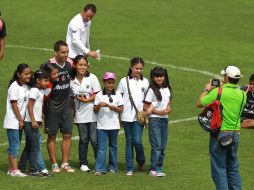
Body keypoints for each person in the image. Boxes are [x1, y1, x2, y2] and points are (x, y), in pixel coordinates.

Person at [197, 66, 246, 190]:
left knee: (219, 169)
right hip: (235, 134)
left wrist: (207, 89)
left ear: (226, 77)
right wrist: (224, 84)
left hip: (220, 135)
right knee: (233, 168)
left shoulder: (218, 92)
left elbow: (200, 103)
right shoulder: (242, 94)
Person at [42, 40, 74, 173]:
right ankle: (54, 163)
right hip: (52, 107)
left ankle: (65, 163)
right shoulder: (47, 66)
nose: (65, 54)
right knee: (52, 135)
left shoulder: (70, 64)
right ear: (55, 52)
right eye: (62, 52)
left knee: (67, 135)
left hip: (67, 107)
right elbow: (41, 85)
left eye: (67, 52)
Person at [117, 57, 149, 176]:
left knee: (137, 141)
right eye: (136, 68)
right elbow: (118, 98)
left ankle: (141, 161)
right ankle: (129, 167)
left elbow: (148, 99)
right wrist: (118, 116)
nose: (139, 70)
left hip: (139, 117)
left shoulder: (145, 82)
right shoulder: (123, 81)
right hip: (126, 116)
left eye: (141, 68)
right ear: (131, 67)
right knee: (129, 142)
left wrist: (146, 112)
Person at [70, 55, 101, 172]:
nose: (83, 67)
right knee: (83, 139)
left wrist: (86, 100)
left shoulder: (92, 78)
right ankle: (83, 163)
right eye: (80, 65)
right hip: (80, 114)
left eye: (85, 65)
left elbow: (98, 94)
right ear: (75, 65)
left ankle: (99, 161)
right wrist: (72, 115)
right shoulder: (71, 81)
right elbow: (70, 98)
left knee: (94, 139)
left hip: (93, 113)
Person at [18, 70, 50, 177]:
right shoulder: (35, 91)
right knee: (35, 148)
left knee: (28, 146)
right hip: (30, 123)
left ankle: (21, 167)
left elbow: (36, 107)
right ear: (37, 80)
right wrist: (33, 120)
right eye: (45, 81)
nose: (47, 83)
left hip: (32, 122)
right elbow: (30, 106)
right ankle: (34, 170)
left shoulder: (38, 90)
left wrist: (39, 119)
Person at [143, 67, 172, 177]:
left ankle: (159, 167)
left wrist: (168, 109)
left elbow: (168, 104)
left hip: (165, 120)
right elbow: (146, 106)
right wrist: (159, 112)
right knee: (157, 146)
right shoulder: (151, 90)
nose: (159, 78)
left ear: (165, 76)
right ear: (153, 77)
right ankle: (153, 169)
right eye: (157, 76)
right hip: (155, 120)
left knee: (163, 146)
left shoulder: (167, 88)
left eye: (161, 76)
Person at [93, 72, 123, 175]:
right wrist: (100, 105)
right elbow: (95, 110)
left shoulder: (118, 94)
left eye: (112, 83)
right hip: (102, 126)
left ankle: (113, 168)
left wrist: (114, 107)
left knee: (113, 147)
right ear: (104, 82)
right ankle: (100, 169)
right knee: (101, 148)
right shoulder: (99, 95)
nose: (110, 85)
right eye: (108, 82)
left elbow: (121, 109)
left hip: (114, 125)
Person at [4, 63, 31, 177]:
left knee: (15, 145)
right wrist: (20, 120)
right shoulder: (14, 87)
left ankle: (11, 169)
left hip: (18, 121)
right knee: (14, 146)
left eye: (29, 73)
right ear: (19, 74)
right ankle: (15, 170)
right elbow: (14, 105)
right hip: (13, 121)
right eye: (26, 74)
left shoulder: (25, 86)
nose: (28, 76)